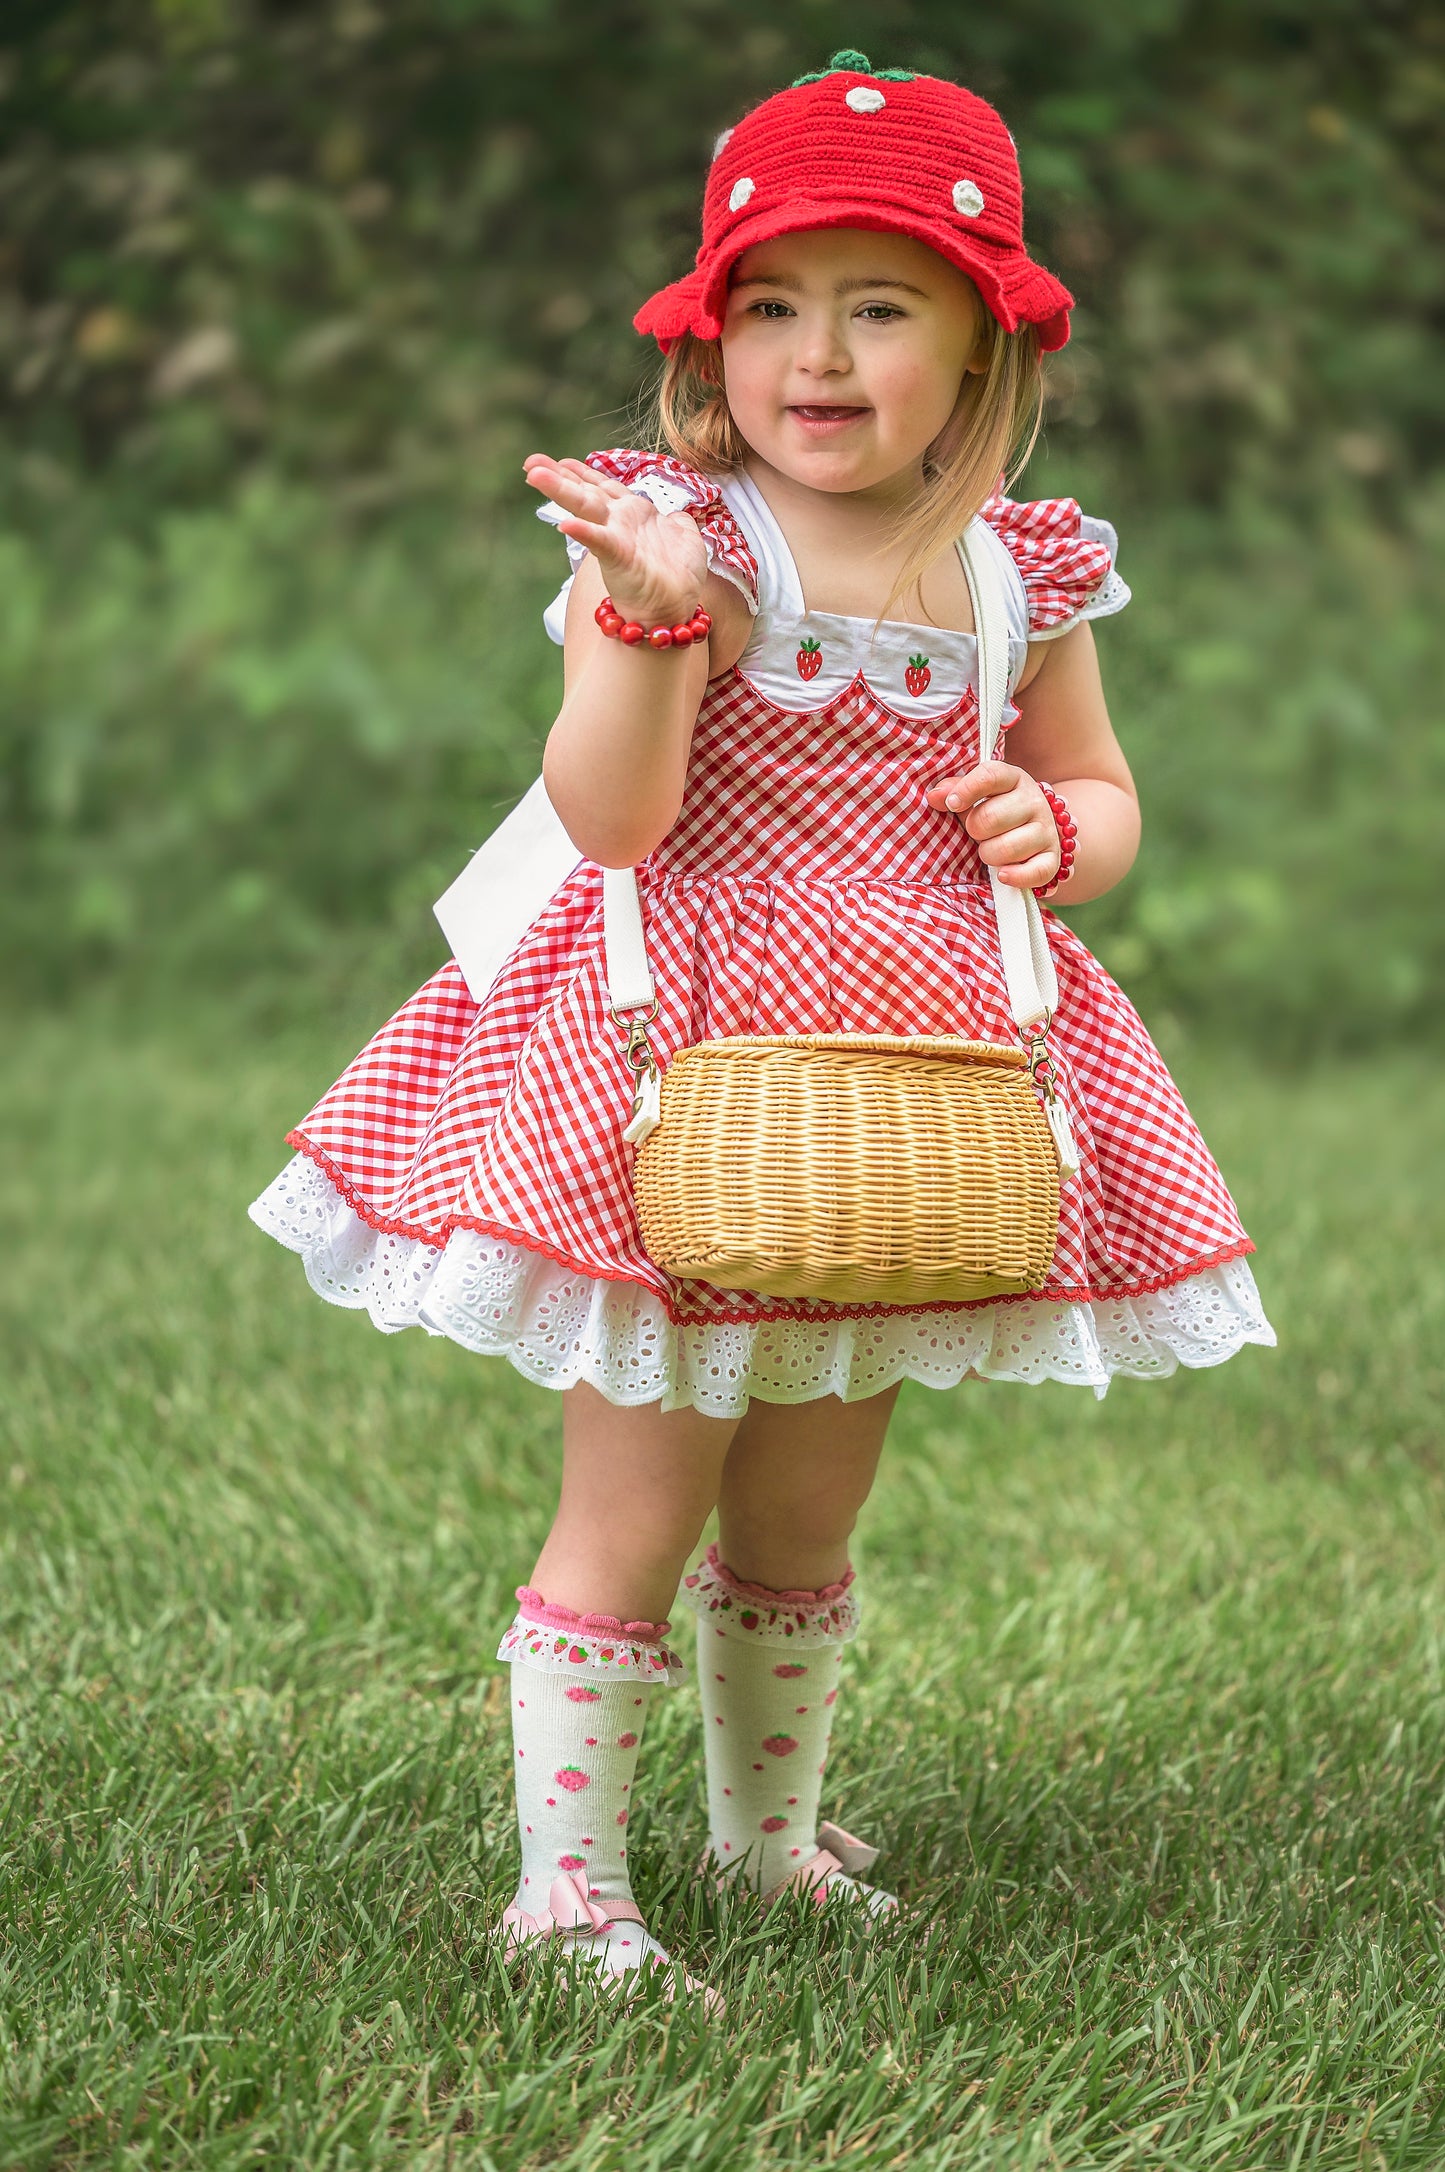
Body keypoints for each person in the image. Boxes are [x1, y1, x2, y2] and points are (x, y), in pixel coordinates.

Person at [250, 51, 1274, 1999]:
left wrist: (1057, 828)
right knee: (637, 1495)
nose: (816, 352)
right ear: (709, 342)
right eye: (770, 306)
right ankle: (568, 1891)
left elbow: (1111, 799)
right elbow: (616, 820)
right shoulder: (681, 542)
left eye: (879, 306)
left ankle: (768, 1837)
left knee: (811, 1493)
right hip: (670, 1068)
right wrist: (641, 628)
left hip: (902, 1085)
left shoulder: (1016, 575)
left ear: (981, 353)